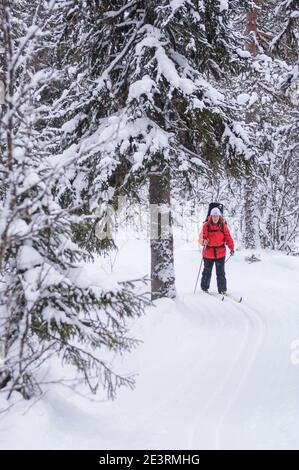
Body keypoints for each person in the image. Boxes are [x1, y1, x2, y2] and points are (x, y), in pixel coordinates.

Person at [198, 207, 234, 294]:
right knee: (207, 271)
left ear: (219, 216)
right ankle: (204, 288)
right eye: (213, 216)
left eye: (217, 216)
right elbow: (200, 239)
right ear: (211, 216)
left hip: (220, 253)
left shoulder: (223, 226)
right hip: (208, 253)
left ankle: (222, 289)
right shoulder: (206, 225)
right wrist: (203, 241)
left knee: (221, 273)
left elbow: (228, 238)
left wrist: (232, 248)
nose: (215, 218)